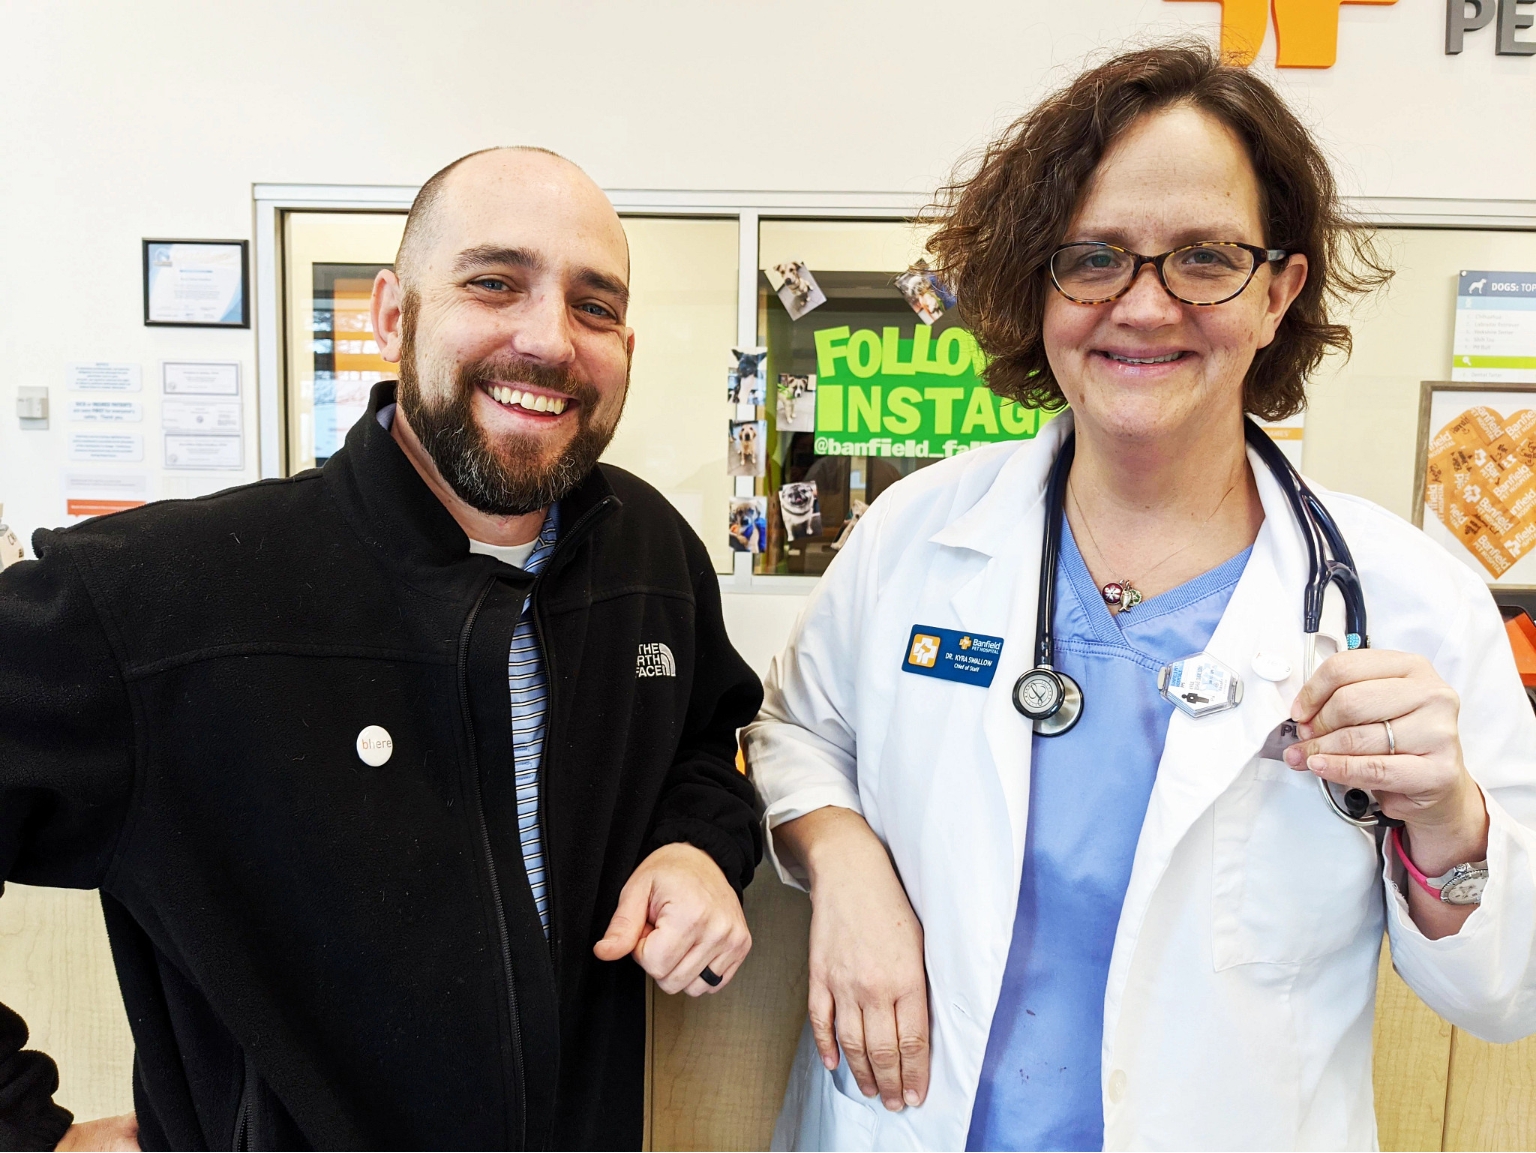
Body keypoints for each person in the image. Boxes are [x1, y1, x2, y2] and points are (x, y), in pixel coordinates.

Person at [746, 44, 1536, 1151]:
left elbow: (1504, 991)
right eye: (1096, 257)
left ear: (1278, 292)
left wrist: (1447, 815)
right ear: (1041, 282)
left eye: (1204, 257)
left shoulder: (1415, 603)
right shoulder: (914, 539)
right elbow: (797, 734)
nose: (1145, 305)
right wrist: (847, 860)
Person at [0, 147, 762, 1151]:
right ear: (391, 315)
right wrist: (23, 1129)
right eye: (495, 282)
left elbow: (708, 742)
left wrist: (699, 848)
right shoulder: (165, 596)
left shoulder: (653, 555)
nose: (549, 338)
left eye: (594, 304)